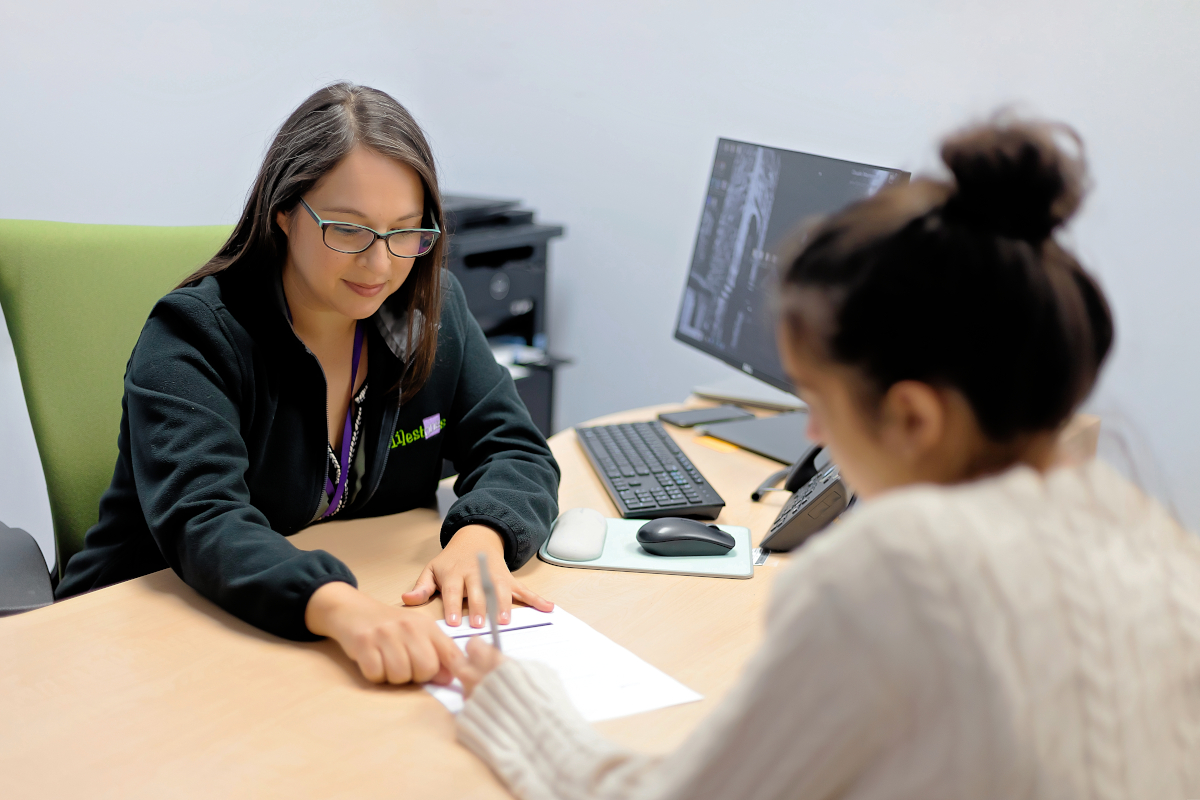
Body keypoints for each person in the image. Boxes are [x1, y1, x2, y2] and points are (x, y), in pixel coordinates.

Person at [450, 119, 1200, 798]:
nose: (811, 429)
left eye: (818, 400)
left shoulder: (896, 569)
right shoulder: (1151, 534)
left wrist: (514, 696)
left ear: (911, 416)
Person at [56, 83, 558, 686]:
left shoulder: (431, 312)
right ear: (285, 215)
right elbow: (205, 518)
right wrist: (342, 607)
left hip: (282, 647)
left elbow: (516, 447)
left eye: (405, 233)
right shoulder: (193, 335)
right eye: (348, 230)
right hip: (132, 637)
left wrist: (483, 533)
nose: (380, 266)